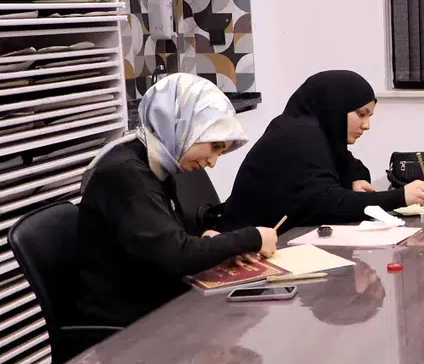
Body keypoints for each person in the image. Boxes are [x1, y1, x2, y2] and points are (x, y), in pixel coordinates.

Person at [73, 74, 277, 331]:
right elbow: (176, 256)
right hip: (127, 327)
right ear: (184, 126)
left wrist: (210, 242)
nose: (213, 162)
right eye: (214, 146)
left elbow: (164, 239)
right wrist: (252, 238)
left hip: (153, 301)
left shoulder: (150, 163)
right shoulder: (126, 175)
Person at [220, 70, 424, 231]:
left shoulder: (320, 132)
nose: (366, 125)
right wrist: (400, 196)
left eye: (369, 116)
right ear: (335, 107)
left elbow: (352, 167)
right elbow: (330, 204)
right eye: (361, 114)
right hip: (240, 253)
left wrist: (352, 179)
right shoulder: (297, 136)